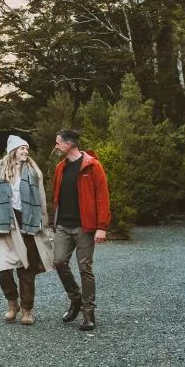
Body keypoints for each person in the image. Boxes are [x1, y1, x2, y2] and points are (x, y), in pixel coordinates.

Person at [0, 135, 54, 325]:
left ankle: (27, 309)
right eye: (22, 148)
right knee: (4, 269)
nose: (25, 152)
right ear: (13, 150)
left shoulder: (32, 171)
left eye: (27, 149)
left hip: (27, 221)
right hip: (4, 221)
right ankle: (11, 302)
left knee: (27, 268)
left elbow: (41, 198)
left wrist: (43, 221)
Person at [52, 129, 111, 331]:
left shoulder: (92, 166)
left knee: (85, 268)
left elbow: (102, 197)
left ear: (68, 145)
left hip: (84, 226)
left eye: (58, 142)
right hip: (62, 225)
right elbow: (57, 197)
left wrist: (101, 227)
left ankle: (88, 312)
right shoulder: (60, 168)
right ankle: (75, 298)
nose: (56, 146)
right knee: (59, 262)